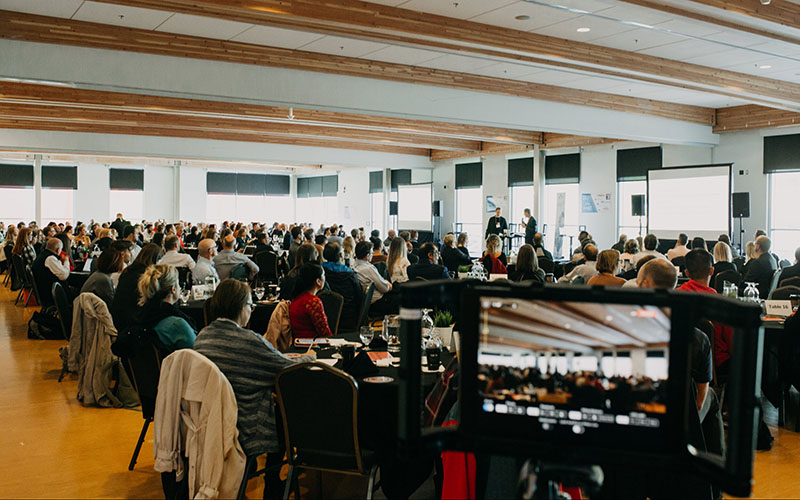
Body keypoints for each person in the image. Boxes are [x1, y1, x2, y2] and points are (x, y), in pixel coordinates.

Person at [194, 279, 315, 497]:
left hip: (210, 420)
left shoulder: (203, 337)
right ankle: (274, 482)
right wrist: (310, 357)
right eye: (250, 305)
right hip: (245, 422)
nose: (251, 310)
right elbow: (287, 369)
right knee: (284, 418)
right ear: (241, 307)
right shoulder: (248, 341)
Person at [136, 264, 197, 351]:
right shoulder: (177, 324)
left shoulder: (142, 316)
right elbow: (197, 353)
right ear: (173, 289)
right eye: (178, 284)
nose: (179, 287)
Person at [110, 243, 162, 331]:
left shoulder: (127, 271)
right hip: (134, 322)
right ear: (155, 260)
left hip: (117, 318)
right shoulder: (146, 276)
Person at [321, 242, 363, 330]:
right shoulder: (350, 274)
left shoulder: (320, 271)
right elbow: (359, 295)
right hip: (348, 315)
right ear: (341, 255)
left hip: (326, 313)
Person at [289, 263, 334, 338]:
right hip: (312, 344)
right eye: (324, 275)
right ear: (318, 281)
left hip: (298, 343)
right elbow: (324, 333)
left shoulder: (296, 298)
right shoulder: (313, 301)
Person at [353, 241, 393, 312]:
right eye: (372, 253)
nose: (372, 254)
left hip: (365, 305)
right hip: (376, 304)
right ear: (367, 256)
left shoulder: (353, 266)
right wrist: (388, 285)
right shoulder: (369, 268)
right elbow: (384, 288)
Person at [31, 238, 71, 307]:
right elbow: (64, 276)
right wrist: (66, 261)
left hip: (44, 290)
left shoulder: (42, 255)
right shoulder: (50, 258)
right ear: (58, 249)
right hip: (50, 294)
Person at [741, 235, 777, 299]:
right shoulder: (772, 259)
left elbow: (746, 282)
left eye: (755, 244)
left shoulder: (758, 263)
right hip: (766, 293)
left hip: (757, 295)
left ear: (758, 246)